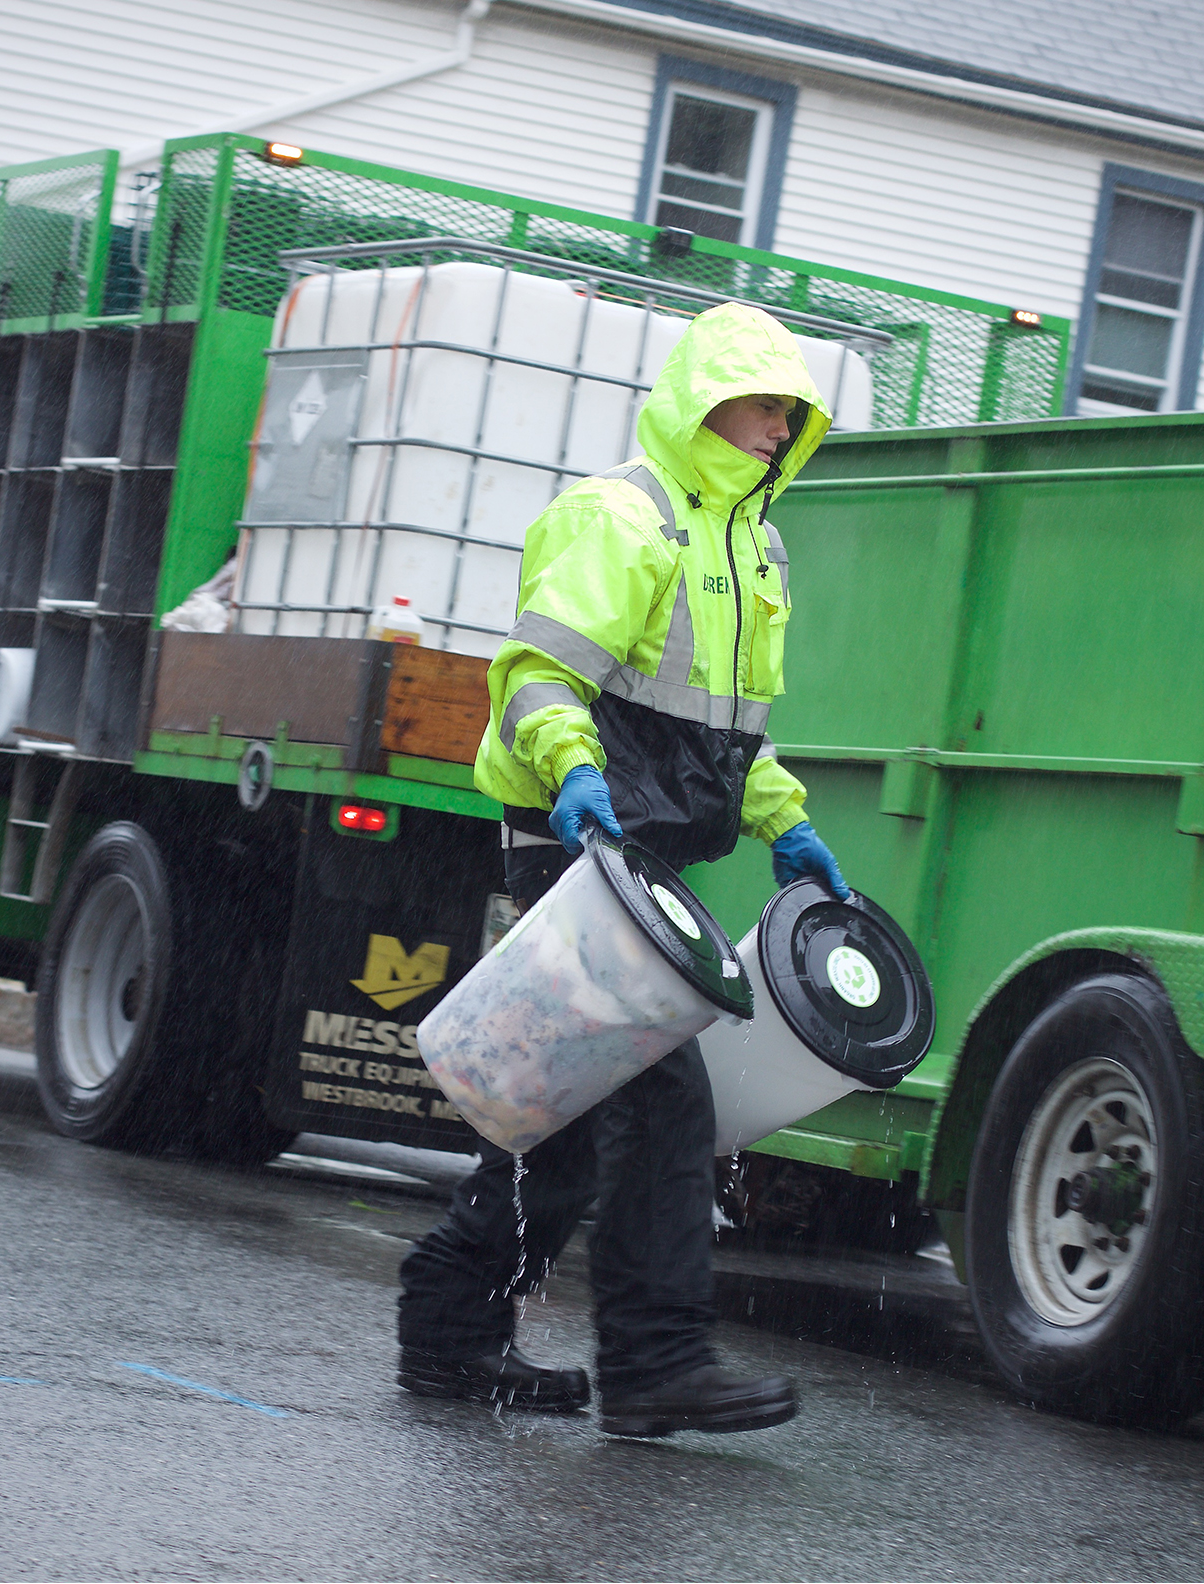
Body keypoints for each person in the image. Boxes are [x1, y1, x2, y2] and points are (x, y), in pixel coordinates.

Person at [396, 301, 851, 1438]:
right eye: (757, 402)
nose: (773, 424)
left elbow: (719, 730)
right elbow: (541, 676)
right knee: (660, 1107)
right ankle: (655, 1367)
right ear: (703, 401)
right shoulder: (620, 516)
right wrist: (573, 777)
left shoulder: (754, 546)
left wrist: (783, 821)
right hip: (582, 849)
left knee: (558, 1116)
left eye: (790, 409)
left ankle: (450, 1336)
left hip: (645, 863)